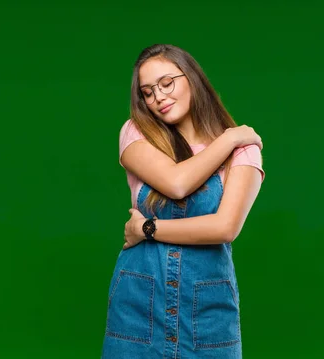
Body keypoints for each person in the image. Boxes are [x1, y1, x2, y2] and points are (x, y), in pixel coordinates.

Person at [101, 44, 265, 359]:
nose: (158, 97)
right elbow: (176, 183)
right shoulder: (137, 134)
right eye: (147, 92)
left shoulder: (246, 152)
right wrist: (228, 138)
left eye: (167, 83)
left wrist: (147, 228)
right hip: (138, 304)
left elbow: (225, 227)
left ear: (192, 78)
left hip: (208, 311)